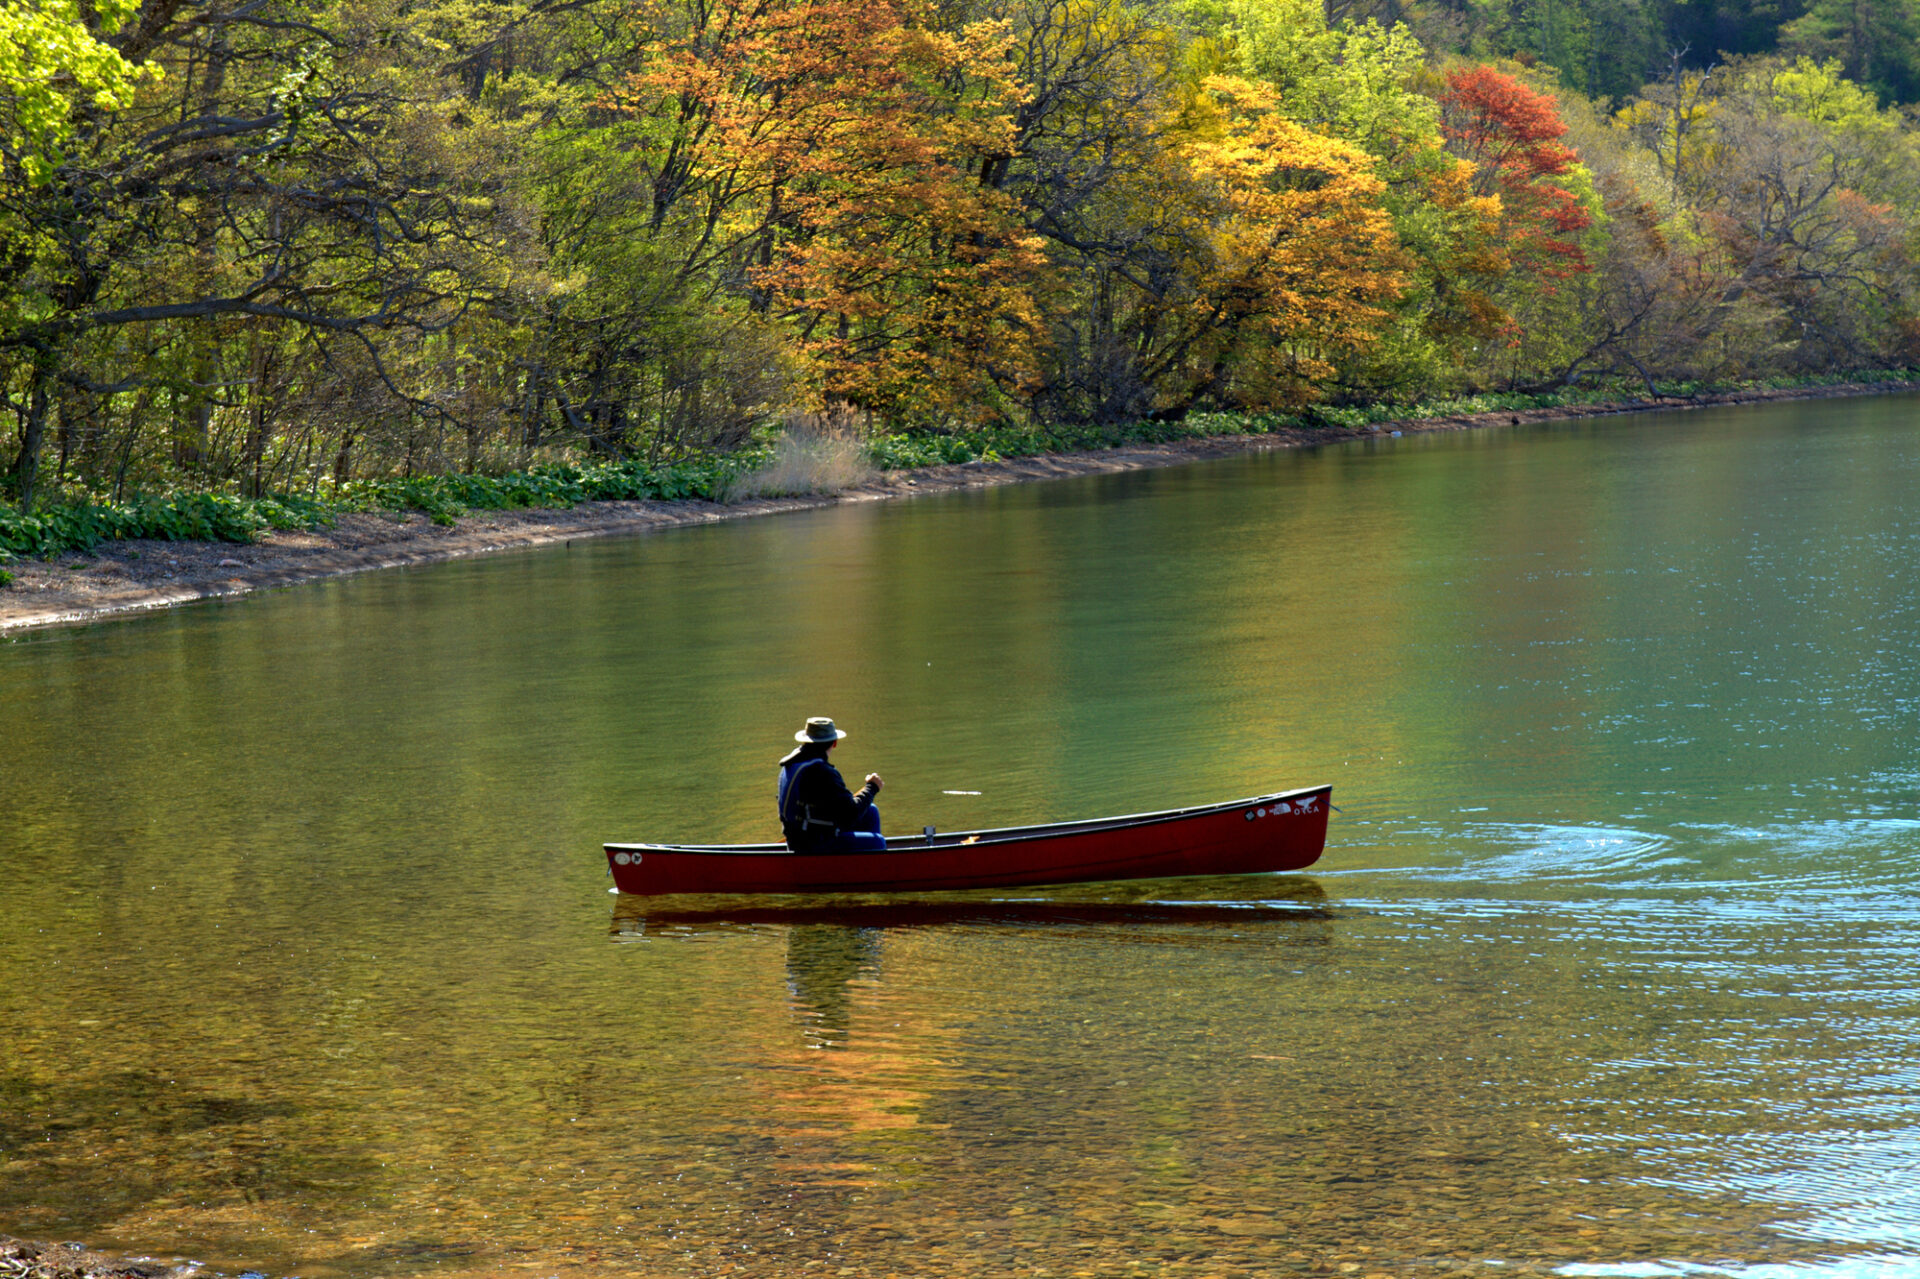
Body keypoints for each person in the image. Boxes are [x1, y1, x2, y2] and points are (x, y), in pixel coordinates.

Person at [777, 717, 886, 852]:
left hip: (800, 837)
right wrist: (872, 787)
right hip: (813, 844)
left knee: (871, 811)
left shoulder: (793, 764)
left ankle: (862, 860)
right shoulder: (821, 772)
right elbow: (850, 815)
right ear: (834, 743)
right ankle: (872, 861)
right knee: (877, 842)